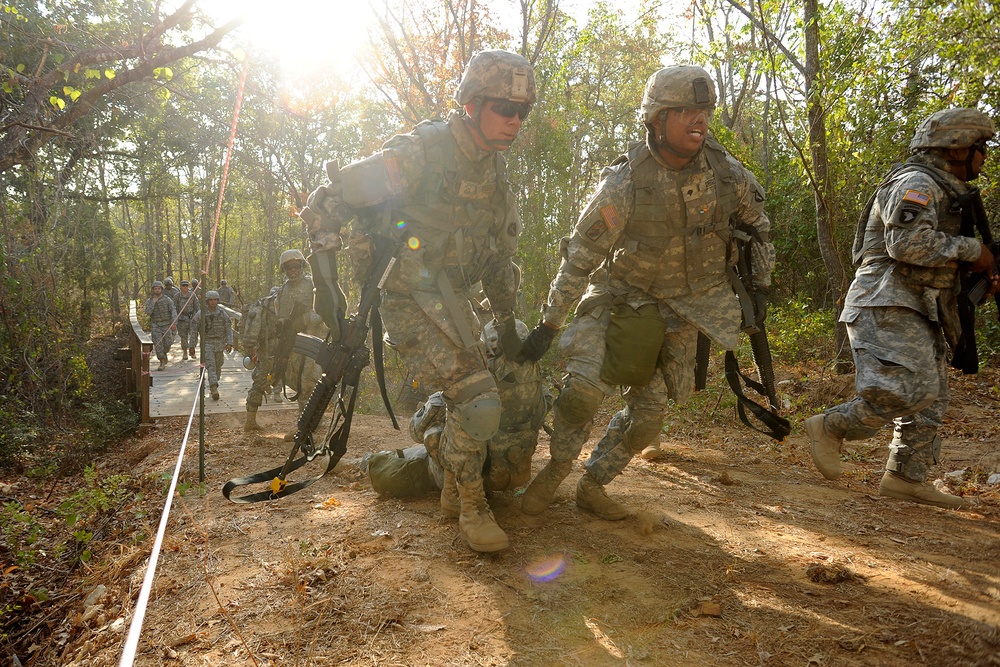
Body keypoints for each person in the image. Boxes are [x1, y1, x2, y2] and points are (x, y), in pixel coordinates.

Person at [300, 50, 536, 552]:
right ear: (472, 104)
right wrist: (326, 284)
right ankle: (471, 504)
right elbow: (327, 201)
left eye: (523, 111)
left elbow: (498, 254)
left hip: (452, 300)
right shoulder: (421, 152)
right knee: (478, 399)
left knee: (498, 393)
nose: (515, 120)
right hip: (403, 296)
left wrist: (509, 320)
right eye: (503, 107)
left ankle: (446, 473)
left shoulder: (494, 171)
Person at [515, 65, 775, 521]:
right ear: (656, 117)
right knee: (583, 394)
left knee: (648, 418)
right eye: (685, 111)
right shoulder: (625, 184)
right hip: (619, 298)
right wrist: (549, 324)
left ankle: (593, 485)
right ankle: (552, 475)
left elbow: (759, 229)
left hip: (684, 308)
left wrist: (761, 290)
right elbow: (580, 256)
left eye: (705, 111)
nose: (699, 121)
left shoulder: (726, 175)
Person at [805, 108, 998, 510]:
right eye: (981, 148)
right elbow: (907, 245)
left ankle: (905, 478)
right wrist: (972, 250)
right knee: (908, 389)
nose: (985, 157)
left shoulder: (945, 189)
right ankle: (830, 426)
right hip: (885, 300)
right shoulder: (916, 183)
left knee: (933, 397)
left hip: (918, 304)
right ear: (958, 149)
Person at [367, 319, 550, 499]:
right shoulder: (540, 389)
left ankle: (365, 460)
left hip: (467, 479)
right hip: (510, 474)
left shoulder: (472, 386)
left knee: (391, 465)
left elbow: (416, 430)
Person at [244, 250, 325, 432]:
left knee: (308, 381)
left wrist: (303, 320)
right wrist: (281, 325)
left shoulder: (312, 284)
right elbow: (280, 315)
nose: (293, 270)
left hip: (310, 340)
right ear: (284, 269)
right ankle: (305, 424)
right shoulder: (284, 289)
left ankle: (306, 426)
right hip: (289, 342)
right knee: (286, 379)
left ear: (302, 266)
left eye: (296, 266)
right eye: (289, 267)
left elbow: (323, 310)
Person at [191, 290, 233, 400]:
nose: (213, 302)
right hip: (207, 343)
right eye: (211, 300)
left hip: (220, 343)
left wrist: (230, 342)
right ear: (207, 301)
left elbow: (229, 328)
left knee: (219, 364)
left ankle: (214, 381)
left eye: (215, 300)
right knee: (211, 366)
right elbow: (194, 329)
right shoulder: (201, 314)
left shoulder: (222, 314)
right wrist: (192, 345)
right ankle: (214, 388)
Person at [144, 280, 178, 371]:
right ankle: (162, 361)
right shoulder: (150, 301)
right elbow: (147, 312)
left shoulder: (167, 299)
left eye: (159, 288)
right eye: (155, 289)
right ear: (153, 290)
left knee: (168, 343)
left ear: (161, 289)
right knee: (158, 344)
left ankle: (165, 353)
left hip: (166, 324)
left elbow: (173, 311)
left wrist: (174, 323)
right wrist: (153, 303)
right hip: (155, 325)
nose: (157, 290)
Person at [173, 279, 200, 361]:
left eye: (186, 285)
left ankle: (192, 350)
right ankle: (185, 351)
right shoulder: (177, 296)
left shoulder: (192, 295)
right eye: (183, 285)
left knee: (193, 335)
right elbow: (173, 307)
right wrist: (175, 319)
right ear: (180, 287)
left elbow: (197, 306)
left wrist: (198, 316)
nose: (185, 287)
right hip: (181, 319)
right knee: (183, 336)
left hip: (191, 318)